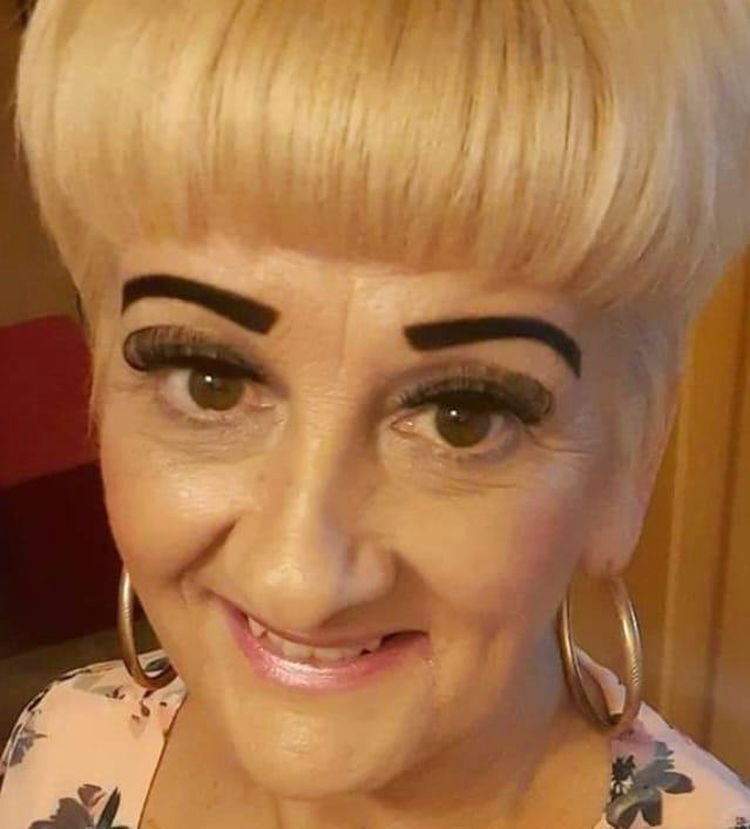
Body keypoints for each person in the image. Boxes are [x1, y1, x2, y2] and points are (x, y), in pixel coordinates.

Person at [1, 1, 749, 827]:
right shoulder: (60, 747)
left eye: (462, 417)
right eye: (210, 382)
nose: (301, 578)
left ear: (633, 456)